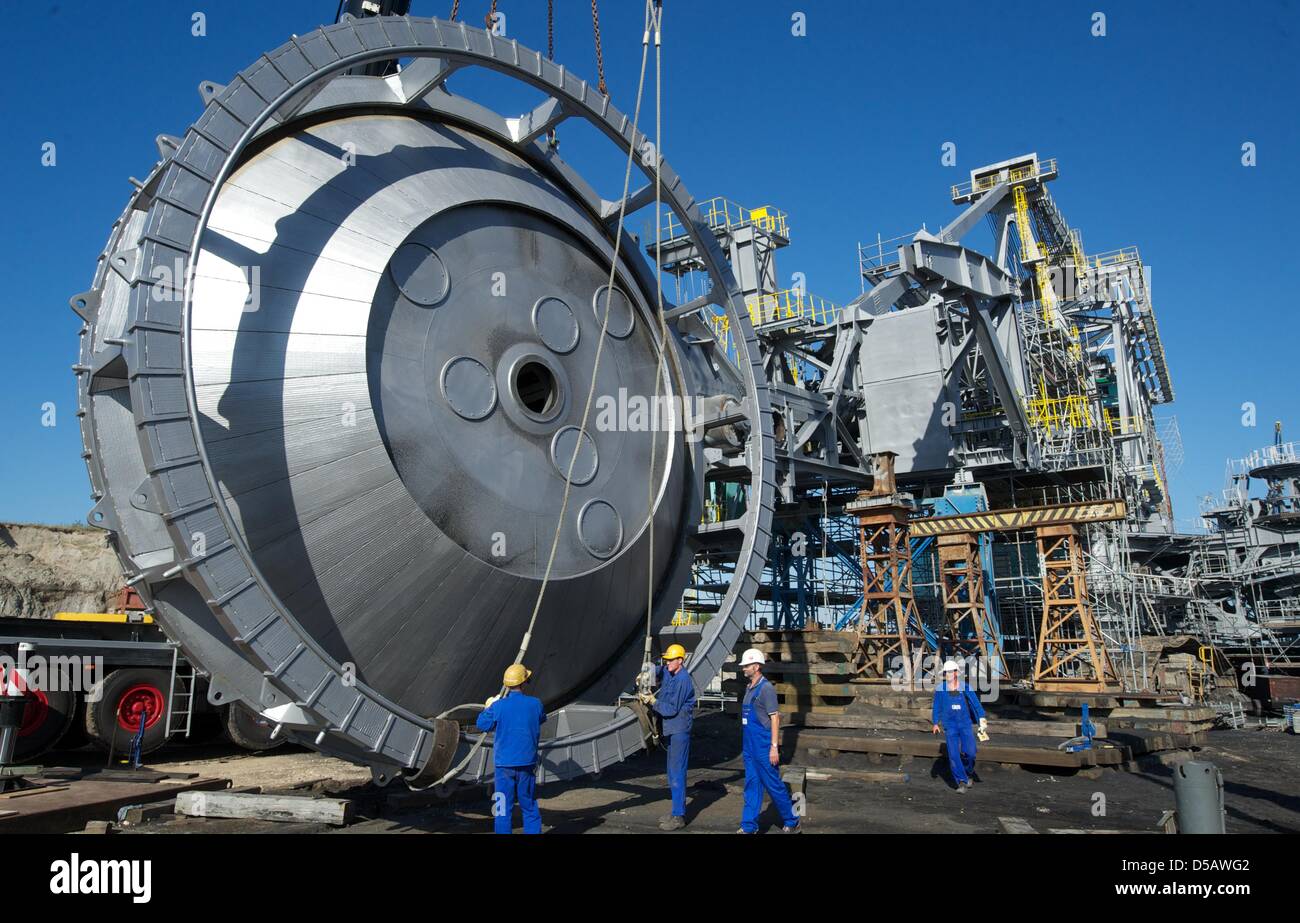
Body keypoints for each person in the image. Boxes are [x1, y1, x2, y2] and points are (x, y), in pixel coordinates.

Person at [476, 663, 546, 833]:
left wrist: (489, 707)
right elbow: (541, 719)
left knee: (502, 809)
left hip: (503, 766)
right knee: (528, 805)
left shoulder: (498, 706)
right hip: (527, 764)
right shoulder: (536, 704)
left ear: (506, 685)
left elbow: (482, 724)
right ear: (524, 682)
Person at [737, 648, 800, 833]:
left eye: (746, 665)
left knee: (773, 785)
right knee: (751, 785)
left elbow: (775, 718)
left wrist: (774, 747)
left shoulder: (766, 689)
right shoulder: (749, 688)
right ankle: (748, 826)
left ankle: (792, 820)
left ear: (756, 667)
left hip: (764, 746)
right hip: (749, 746)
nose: (743, 669)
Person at [644, 643, 696, 831]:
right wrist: (646, 673)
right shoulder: (669, 671)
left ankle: (679, 816)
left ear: (680, 661)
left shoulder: (683, 680)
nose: (666, 664)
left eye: (669, 661)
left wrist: (653, 701)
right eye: (665, 661)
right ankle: (675, 811)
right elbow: (658, 671)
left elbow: (671, 709)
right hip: (671, 729)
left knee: (677, 772)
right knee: (672, 772)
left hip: (679, 730)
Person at [931, 658, 988, 793]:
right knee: (954, 755)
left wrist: (982, 719)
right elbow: (937, 707)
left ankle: (968, 772)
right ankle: (961, 781)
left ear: (956, 672)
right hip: (950, 725)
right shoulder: (941, 689)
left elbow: (976, 704)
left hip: (964, 724)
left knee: (971, 753)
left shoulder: (965, 687)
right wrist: (935, 722)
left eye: (951, 672)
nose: (948, 674)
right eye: (946, 672)